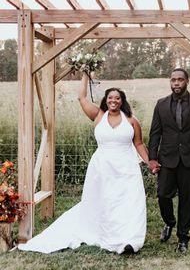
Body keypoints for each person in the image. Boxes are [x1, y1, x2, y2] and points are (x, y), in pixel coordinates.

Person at [18, 73, 148, 254]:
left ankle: (130, 239)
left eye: (117, 98)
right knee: (105, 200)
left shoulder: (132, 121)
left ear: (122, 101)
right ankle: (104, 231)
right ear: (105, 100)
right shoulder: (98, 115)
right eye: (110, 97)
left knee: (128, 200)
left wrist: (150, 163)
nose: (113, 101)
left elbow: (139, 144)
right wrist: (86, 74)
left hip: (127, 167)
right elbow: (81, 97)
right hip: (101, 167)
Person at [148, 68, 190, 254]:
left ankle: (183, 238)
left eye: (180, 80)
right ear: (170, 82)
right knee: (163, 195)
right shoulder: (161, 104)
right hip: (167, 159)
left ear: (187, 81)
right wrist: (152, 158)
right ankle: (169, 222)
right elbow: (155, 133)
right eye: (173, 80)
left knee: (186, 200)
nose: (176, 83)